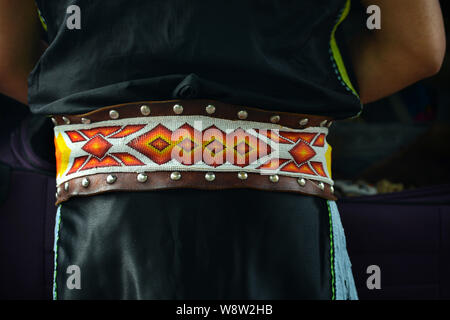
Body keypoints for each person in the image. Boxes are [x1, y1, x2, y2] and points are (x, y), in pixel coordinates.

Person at [0, 0, 445, 300]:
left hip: (102, 225)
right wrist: (292, 118)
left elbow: (9, 61)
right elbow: (414, 48)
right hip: (282, 217)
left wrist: (102, 123)